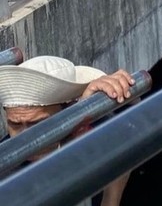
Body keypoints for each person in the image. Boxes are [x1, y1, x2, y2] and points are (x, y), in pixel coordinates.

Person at [0, 55, 135, 206]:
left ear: (67, 112)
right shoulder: (7, 172)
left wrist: (87, 110)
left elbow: (127, 129)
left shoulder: (91, 131)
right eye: (15, 125)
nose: (25, 137)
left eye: (36, 124)